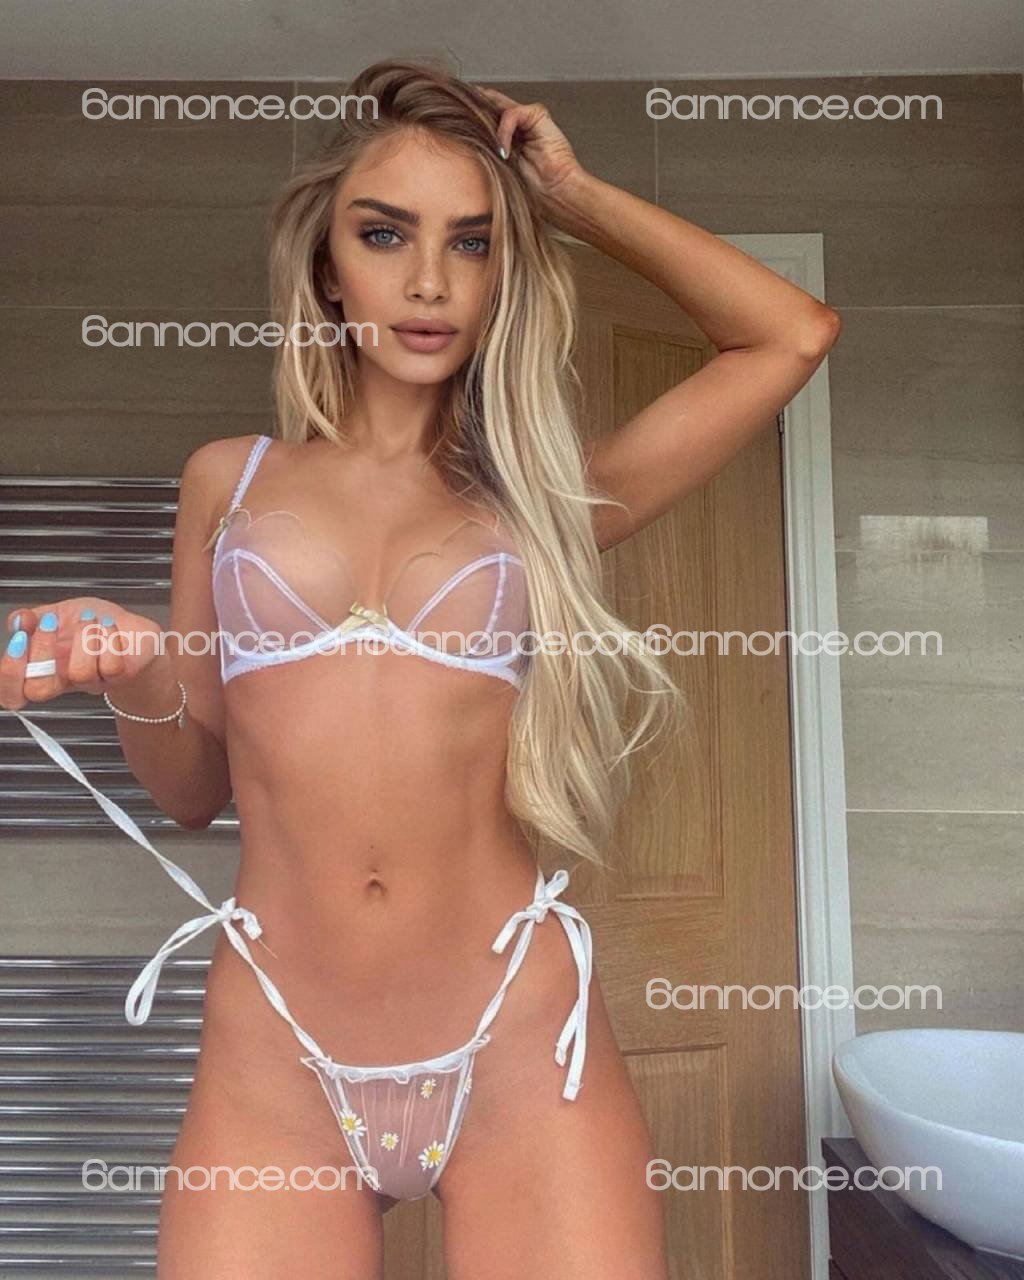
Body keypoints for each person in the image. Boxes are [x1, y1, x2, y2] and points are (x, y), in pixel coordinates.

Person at [0, 59, 840, 1279]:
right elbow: (189, 787)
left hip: (515, 1040)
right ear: (326, 264)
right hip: (277, 1051)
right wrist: (128, 666)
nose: (430, 280)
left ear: (505, 271)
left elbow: (790, 333)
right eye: (385, 234)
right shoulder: (227, 481)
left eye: (473, 241)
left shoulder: (541, 503)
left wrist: (570, 195)